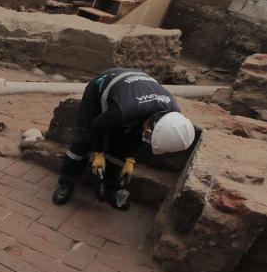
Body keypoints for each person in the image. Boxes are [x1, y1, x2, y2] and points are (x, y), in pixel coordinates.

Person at [52, 68, 196, 210]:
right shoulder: (126, 111)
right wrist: (98, 154)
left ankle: (110, 188)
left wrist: (130, 160)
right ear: (152, 124)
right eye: (149, 136)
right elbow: (96, 126)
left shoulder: (172, 113)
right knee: (83, 140)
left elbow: (139, 135)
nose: (147, 139)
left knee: (121, 146)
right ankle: (67, 183)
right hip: (101, 86)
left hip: (131, 93)